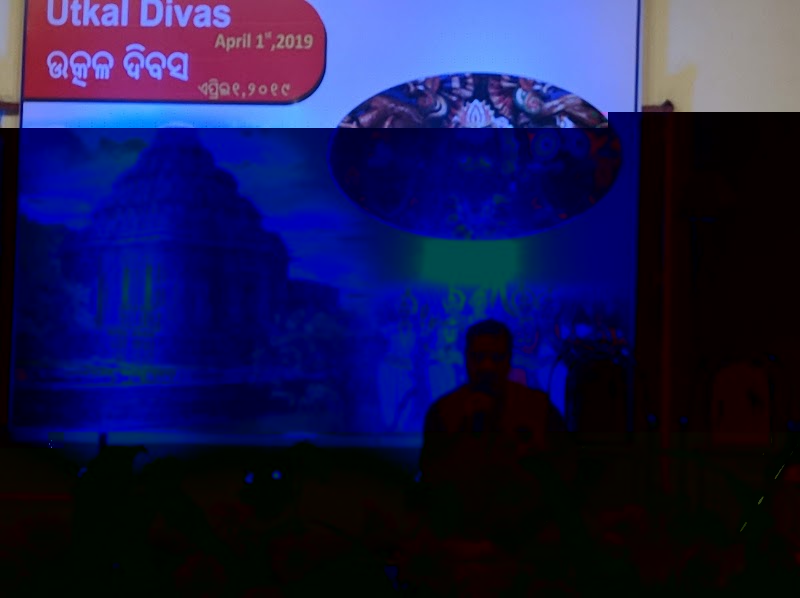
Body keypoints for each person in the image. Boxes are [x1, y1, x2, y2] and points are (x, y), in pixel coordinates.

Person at [417, 319, 577, 548]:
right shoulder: (443, 411)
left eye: (496, 355)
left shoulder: (537, 407)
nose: (487, 364)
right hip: (459, 542)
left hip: (527, 542)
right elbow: (431, 478)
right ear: (466, 358)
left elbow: (566, 470)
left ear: (509, 358)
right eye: (479, 355)